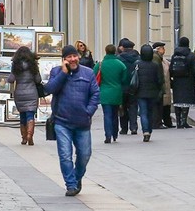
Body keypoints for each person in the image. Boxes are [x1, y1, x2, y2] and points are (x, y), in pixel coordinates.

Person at [45, 45, 100, 196]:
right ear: (64, 59)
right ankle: (70, 185)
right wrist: (63, 73)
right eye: (69, 57)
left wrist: (88, 112)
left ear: (79, 57)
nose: (73, 59)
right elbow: (49, 89)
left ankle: (77, 178)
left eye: (74, 56)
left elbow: (95, 94)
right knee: (65, 155)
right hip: (62, 122)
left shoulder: (88, 73)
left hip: (82, 122)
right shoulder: (56, 72)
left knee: (85, 154)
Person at [93, 44, 127, 143]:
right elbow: (124, 79)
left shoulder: (100, 64)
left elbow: (93, 76)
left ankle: (108, 135)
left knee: (107, 114)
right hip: (117, 91)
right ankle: (115, 134)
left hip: (104, 92)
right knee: (115, 114)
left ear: (106, 51)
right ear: (115, 51)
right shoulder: (120, 64)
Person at [7, 47, 41, 146]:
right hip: (32, 92)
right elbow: (38, 80)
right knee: (30, 115)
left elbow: (11, 79)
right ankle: (30, 135)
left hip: (19, 93)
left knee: (22, 115)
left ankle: (24, 138)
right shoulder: (33, 65)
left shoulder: (16, 65)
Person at [134, 44, 164, 142]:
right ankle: (149, 131)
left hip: (140, 92)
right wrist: (160, 89)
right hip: (153, 92)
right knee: (150, 112)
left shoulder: (137, 64)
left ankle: (145, 131)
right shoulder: (155, 65)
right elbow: (160, 79)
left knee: (143, 112)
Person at [170, 37, 195, 129]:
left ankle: (178, 122)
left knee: (177, 101)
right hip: (188, 81)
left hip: (177, 81)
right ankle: (183, 121)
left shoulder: (174, 55)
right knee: (186, 101)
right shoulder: (191, 55)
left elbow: (171, 68)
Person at [116, 38, 139, 135]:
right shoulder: (138, 58)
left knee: (123, 107)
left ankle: (124, 128)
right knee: (133, 106)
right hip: (134, 86)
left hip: (123, 87)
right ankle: (134, 127)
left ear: (123, 48)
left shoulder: (119, 59)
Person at [152, 42, 174, 129]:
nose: (164, 50)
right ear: (158, 49)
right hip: (161, 85)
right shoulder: (156, 59)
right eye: (162, 48)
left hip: (166, 85)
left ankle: (167, 121)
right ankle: (159, 122)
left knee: (166, 105)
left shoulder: (163, 60)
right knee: (161, 105)